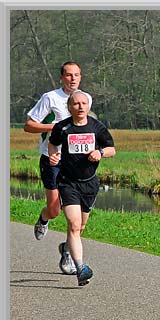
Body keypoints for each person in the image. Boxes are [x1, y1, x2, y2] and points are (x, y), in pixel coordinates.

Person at [24, 61, 93, 276]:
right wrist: (55, 127)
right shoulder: (50, 98)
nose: (73, 78)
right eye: (69, 75)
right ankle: (44, 218)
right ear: (62, 77)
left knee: (78, 220)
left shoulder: (86, 98)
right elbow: (29, 125)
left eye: (77, 75)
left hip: (75, 164)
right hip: (51, 159)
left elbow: (88, 127)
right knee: (54, 209)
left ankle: (67, 250)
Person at [47, 90, 115, 286]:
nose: (80, 107)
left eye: (84, 103)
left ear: (89, 106)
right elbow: (52, 144)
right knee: (74, 225)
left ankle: (66, 249)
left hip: (90, 183)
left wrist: (100, 152)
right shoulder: (62, 127)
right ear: (69, 107)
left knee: (81, 226)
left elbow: (112, 149)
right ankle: (81, 268)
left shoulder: (97, 127)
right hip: (68, 182)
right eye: (76, 104)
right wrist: (54, 156)